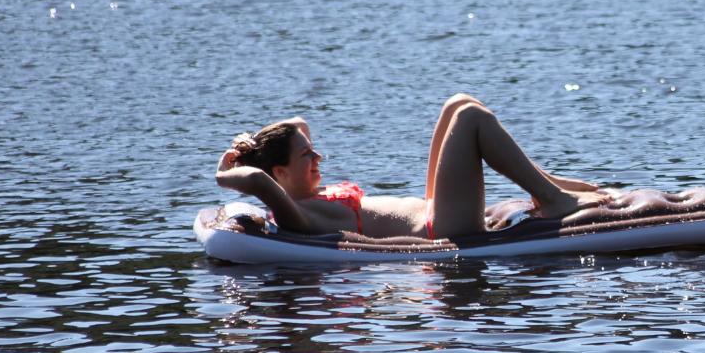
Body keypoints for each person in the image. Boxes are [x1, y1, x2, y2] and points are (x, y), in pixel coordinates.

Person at [215, 94, 610, 241]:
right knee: (471, 117)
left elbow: (297, 123)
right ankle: (552, 198)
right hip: (444, 228)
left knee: (457, 103)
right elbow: (252, 178)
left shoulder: (303, 188)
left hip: (434, 206)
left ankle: (548, 185)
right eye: (307, 156)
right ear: (278, 175)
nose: (318, 159)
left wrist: (248, 144)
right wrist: (224, 170)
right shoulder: (294, 213)